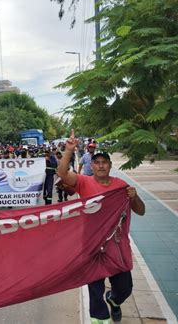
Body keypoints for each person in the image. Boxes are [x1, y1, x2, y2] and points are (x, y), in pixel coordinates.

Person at [58, 129, 145, 324]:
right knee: (94, 288)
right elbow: (62, 173)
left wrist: (135, 197)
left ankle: (114, 301)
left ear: (110, 165)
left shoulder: (121, 186)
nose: (100, 165)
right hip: (91, 245)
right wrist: (69, 150)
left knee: (124, 288)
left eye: (104, 162)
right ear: (92, 165)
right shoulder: (84, 182)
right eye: (96, 162)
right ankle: (100, 318)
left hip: (117, 246)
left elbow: (141, 211)